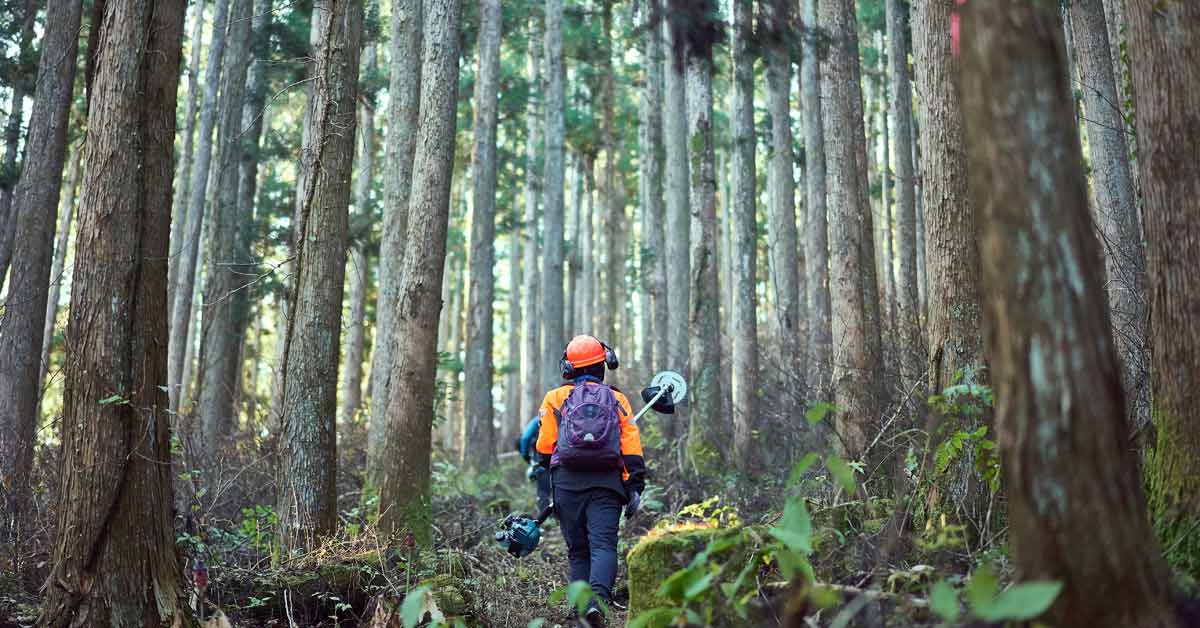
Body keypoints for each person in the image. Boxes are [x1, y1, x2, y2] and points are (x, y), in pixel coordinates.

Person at [536, 335, 645, 627]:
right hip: (607, 485)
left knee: (578, 550)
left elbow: (545, 448)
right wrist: (634, 485)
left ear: (569, 368)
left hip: (567, 484)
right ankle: (597, 604)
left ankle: (579, 608)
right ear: (604, 364)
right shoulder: (618, 398)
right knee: (603, 546)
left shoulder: (554, 398)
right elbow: (631, 449)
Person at [517, 415, 552, 513]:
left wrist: (525, 455)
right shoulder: (565, 416)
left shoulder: (539, 419)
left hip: (543, 459)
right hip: (562, 458)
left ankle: (546, 518)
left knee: (543, 491)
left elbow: (525, 438)